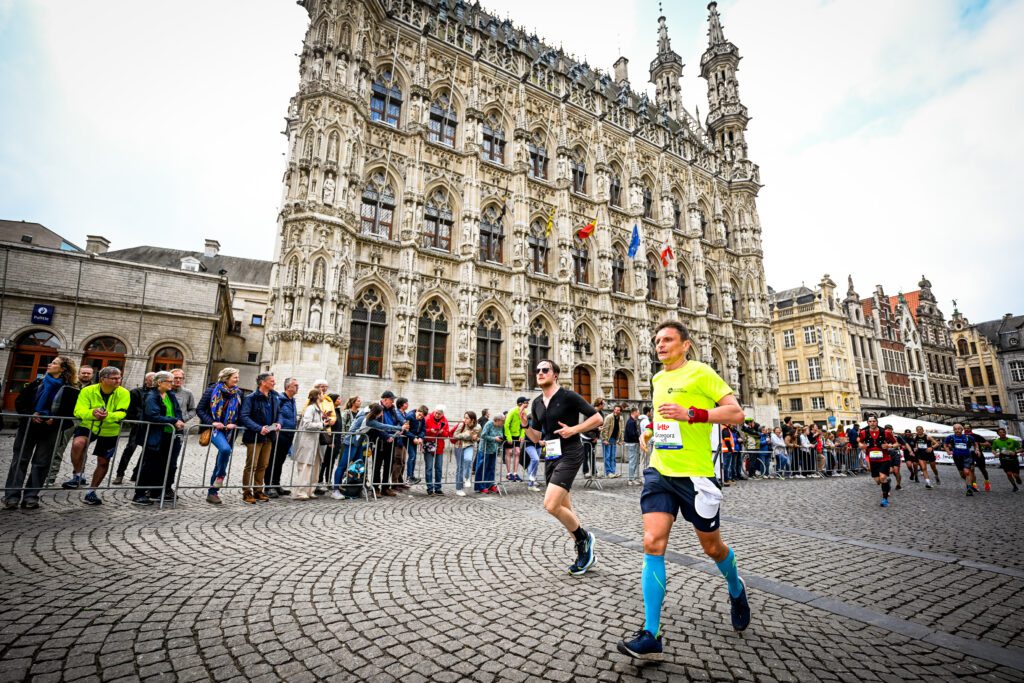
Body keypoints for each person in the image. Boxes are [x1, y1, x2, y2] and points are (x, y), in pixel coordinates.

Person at [617, 321, 749, 661]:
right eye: (657, 340)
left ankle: (736, 588)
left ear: (685, 345)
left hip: (696, 476)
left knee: (713, 548)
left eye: (667, 340)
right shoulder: (658, 379)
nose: (660, 345)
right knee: (652, 542)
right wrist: (651, 433)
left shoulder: (701, 373)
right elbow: (666, 421)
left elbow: (736, 413)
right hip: (660, 471)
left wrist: (692, 413)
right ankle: (652, 633)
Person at [521, 359, 603, 575]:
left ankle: (585, 539)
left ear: (555, 374)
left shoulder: (568, 396)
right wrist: (525, 424)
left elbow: (597, 418)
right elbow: (536, 437)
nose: (540, 373)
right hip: (551, 454)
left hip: (570, 453)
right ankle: (585, 554)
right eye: (537, 370)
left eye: (545, 370)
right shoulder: (537, 403)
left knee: (550, 505)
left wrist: (574, 429)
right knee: (566, 509)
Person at [3, 356, 76, 510]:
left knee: (41, 464)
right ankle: (11, 497)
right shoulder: (37, 383)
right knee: (20, 461)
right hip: (29, 427)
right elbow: (20, 402)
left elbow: (71, 413)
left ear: (63, 369)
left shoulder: (70, 390)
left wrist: (55, 419)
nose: (49, 364)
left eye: (54, 363)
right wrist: (31, 414)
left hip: (51, 430)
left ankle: (31, 497)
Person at [68, 366, 131, 506]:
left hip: (110, 429)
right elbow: (78, 410)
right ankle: (78, 475)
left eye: (119, 378)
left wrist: (107, 416)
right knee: (78, 444)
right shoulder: (88, 390)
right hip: (88, 425)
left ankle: (91, 491)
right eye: (114, 378)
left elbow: (122, 412)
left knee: (103, 462)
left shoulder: (124, 392)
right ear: (103, 379)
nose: (118, 381)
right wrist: (93, 413)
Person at [132, 372, 185, 505]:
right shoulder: (151, 396)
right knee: (149, 464)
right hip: (155, 435)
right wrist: (174, 421)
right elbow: (153, 416)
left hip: (171, 434)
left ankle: (157, 491)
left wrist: (179, 420)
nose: (172, 383)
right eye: (169, 381)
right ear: (160, 382)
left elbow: (177, 411)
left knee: (166, 464)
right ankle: (139, 494)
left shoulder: (170, 395)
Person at [197, 367, 242, 505]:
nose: (237, 379)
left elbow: (241, 413)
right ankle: (221, 475)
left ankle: (213, 492)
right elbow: (200, 409)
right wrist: (213, 422)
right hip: (214, 429)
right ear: (226, 378)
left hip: (230, 431)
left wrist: (235, 423)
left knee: (221, 459)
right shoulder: (212, 390)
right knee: (225, 449)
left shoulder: (238, 393)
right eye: (235, 377)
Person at [239, 372, 282, 504]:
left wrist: (279, 423)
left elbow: (279, 413)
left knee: (263, 465)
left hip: (269, 436)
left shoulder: (274, 397)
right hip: (254, 437)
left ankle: (258, 490)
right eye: (272, 381)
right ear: (263, 382)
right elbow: (244, 416)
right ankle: (247, 493)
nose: (274, 383)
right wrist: (259, 428)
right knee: (251, 465)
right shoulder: (251, 398)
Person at [113, 372, 155, 486]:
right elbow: (130, 409)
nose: (154, 381)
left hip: (151, 426)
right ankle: (120, 474)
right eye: (152, 379)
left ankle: (136, 473)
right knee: (130, 449)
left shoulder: (157, 393)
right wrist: (137, 419)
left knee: (146, 451)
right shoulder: (136, 392)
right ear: (146, 380)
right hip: (138, 425)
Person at [265, 377, 299, 497]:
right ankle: (268, 486)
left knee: (280, 461)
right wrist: (273, 428)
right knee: (273, 460)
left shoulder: (292, 400)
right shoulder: (279, 399)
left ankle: (276, 484)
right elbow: (274, 415)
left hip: (289, 435)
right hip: (279, 434)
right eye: (295, 385)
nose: (297, 387)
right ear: (288, 387)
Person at [292, 389, 326, 500]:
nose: (324, 395)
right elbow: (307, 424)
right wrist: (321, 424)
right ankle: (300, 492)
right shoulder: (311, 408)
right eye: (322, 394)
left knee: (315, 467)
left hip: (315, 443)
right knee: (305, 467)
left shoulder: (318, 409)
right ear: (317, 396)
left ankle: (310, 490)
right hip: (308, 442)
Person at [859, 416, 898, 507]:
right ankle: (887, 482)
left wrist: (889, 446)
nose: (872, 423)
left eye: (874, 421)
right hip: (873, 460)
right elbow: (860, 442)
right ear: (867, 423)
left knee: (882, 478)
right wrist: (861, 445)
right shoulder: (863, 433)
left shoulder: (886, 432)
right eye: (870, 421)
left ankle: (885, 499)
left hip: (884, 459)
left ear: (877, 422)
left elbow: (896, 443)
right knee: (878, 481)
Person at [331, 396, 362, 497]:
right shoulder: (346, 413)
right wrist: (343, 441)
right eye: (358, 401)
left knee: (355, 466)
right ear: (353, 402)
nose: (360, 402)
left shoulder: (360, 413)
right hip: (347, 442)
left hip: (357, 443)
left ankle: (352, 487)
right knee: (342, 465)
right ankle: (336, 488)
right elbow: (342, 428)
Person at [313, 380, 337, 496]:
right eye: (322, 386)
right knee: (312, 460)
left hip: (325, 431)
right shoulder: (312, 397)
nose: (324, 389)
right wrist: (322, 417)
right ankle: (310, 484)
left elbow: (333, 416)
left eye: (325, 387)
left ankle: (317, 483)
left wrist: (330, 420)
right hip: (314, 431)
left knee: (321, 459)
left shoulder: (328, 400)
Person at [451, 411, 481, 497]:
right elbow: (455, 435)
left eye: (467, 418)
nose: (465, 419)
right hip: (459, 446)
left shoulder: (478, 427)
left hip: (469, 445)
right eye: (464, 417)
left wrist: (476, 438)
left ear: (472, 419)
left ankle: (467, 478)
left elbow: (479, 437)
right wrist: (467, 435)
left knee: (468, 460)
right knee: (460, 467)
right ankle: (459, 489)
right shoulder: (462, 425)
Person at [945, 423, 978, 497]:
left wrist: (977, 450)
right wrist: (948, 451)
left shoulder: (968, 437)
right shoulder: (950, 437)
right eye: (955, 429)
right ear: (953, 430)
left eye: (959, 429)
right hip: (957, 457)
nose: (957, 430)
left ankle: (969, 489)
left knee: (967, 472)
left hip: (967, 456)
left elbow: (975, 443)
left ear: (962, 430)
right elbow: (945, 444)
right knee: (962, 474)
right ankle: (969, 484)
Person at [423, 405, 450, 495]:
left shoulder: (444, 421)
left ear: (443, 414)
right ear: (434, 411)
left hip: (439, 446)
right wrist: (430, 431)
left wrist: (442, 432)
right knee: (429, 467)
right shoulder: (427, 418)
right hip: (429, 445)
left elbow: (447, 434)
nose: (437, 415)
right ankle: (430, 488)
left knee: (439, 468)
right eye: (436, 413)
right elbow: (422, 430)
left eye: (439, 414)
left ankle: (438, 488)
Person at [475, 413, 503, 494]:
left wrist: (500, 438)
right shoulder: (489, 424)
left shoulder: (500, 426)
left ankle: (490, 485)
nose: (503, 423)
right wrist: (494, 439)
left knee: (491, 468)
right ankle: (480, 486)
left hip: (493, 449)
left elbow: (500, 434)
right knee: (482, 467)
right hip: (485, 449)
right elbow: (483, 435)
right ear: (497, 420)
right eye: (502, 421)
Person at [503, 397, 528, 482]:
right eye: (526, 402)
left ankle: (515, 473)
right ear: (520, 403)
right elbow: (506, 424)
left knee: (517, 452)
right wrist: (508, 437)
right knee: (509, 452)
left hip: (517, 435)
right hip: (509, 434)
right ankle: (508, 473)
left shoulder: (524, 412)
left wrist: (522, 435)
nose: (527, 404)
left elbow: (524, 425)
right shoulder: (512, 411)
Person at [991, 428, 1021, 492]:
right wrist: (995, 454)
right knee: (1009, 473)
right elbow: (993, 449)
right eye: (1000, 432)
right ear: (998, 434)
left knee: (1015, 474)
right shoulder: (996, 441)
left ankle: (1017, 478)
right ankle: (1014, 486)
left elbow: (1021, 449)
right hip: (1003, 459)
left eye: (1003, 432)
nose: (1002, 433)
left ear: (1005, 433)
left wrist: (1015, 452)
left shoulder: (1012, 440)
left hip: (1013, 459)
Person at [963, 423, 991, 492]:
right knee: (971, 470)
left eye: (968, 428)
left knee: (983, 469)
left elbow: (988, 444)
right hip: (969, 455)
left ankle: (987, 482)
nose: (966, 429)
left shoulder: (976, 436)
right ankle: (974, 485)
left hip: (978, 455)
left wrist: (978, 443)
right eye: (965, 428)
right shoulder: (962, 436)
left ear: (971, 429)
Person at [600, 404, 625, 479]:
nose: (616, 411)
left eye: (618, 410)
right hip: (608, 438)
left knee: (613, 456)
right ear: (613, 410)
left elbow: (622, 430)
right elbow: (605, 429)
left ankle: (613, 472)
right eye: (615, 409)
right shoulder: (609, 417)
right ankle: (608, 472)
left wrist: (621, 440)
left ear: (620, 411)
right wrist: (604, 439)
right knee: (607, 456)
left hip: (614, 439)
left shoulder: (621, 418)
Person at [404, 404, 426, 485]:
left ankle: (412, 476)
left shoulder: (422, 419)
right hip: (408, 439)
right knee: (412, 456)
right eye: (419, 415)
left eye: (422, 416)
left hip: (415, 440)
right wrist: (413, 438)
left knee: (414, 457)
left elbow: (423, 429)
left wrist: (420, 437)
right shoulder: (409, 416)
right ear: (417, 411)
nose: (420, 417)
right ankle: (409, 477)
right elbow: (405, 430)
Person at [624, 406, 642, 485]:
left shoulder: (632, 421)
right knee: (633, 461)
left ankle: (632, 478)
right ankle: (631, 479)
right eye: (638, 412)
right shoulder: (631, 422)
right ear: (634, 412)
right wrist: (638, 438)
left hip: (633, 443)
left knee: (634, 461)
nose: (639, 414)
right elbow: (632, 434)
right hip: (632, 443)